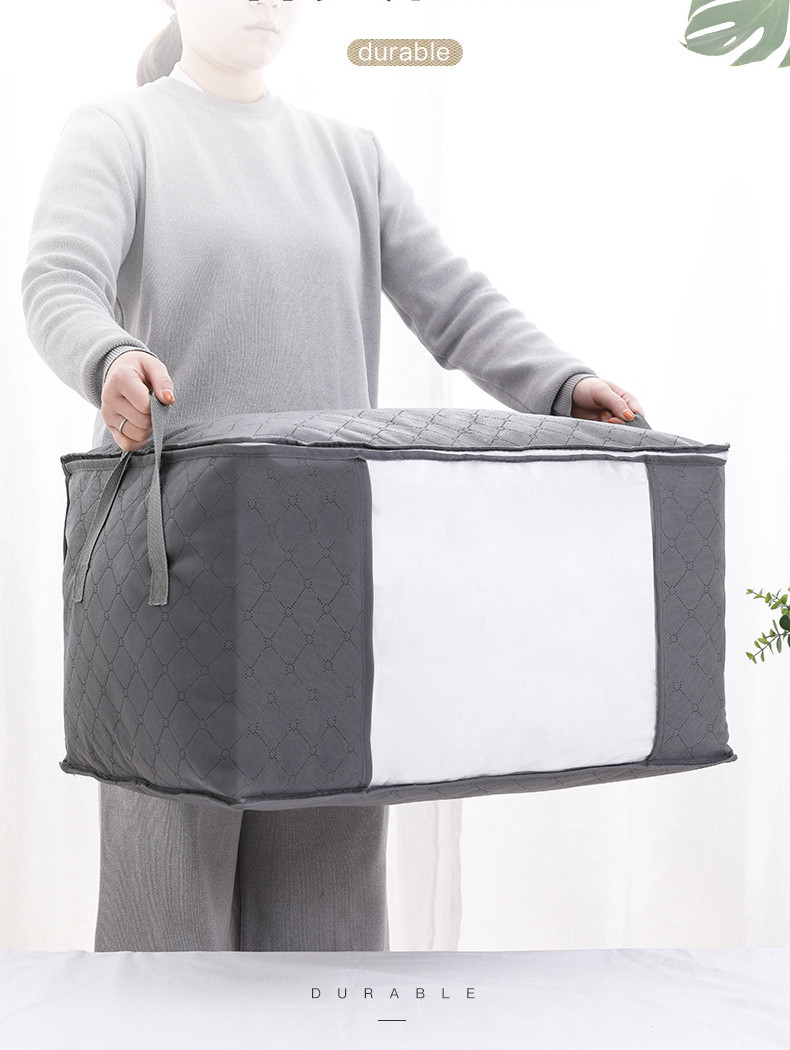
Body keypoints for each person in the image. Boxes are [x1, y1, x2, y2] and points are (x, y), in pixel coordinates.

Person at [20, 0, 645, 952]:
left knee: (329, 918)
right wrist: (108, 357)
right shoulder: (120, 130)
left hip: (325, 568)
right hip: (169, 566)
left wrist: (561, 383)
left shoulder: (351, 156)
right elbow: (58, 278)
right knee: (168, 920)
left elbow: (454, 302)